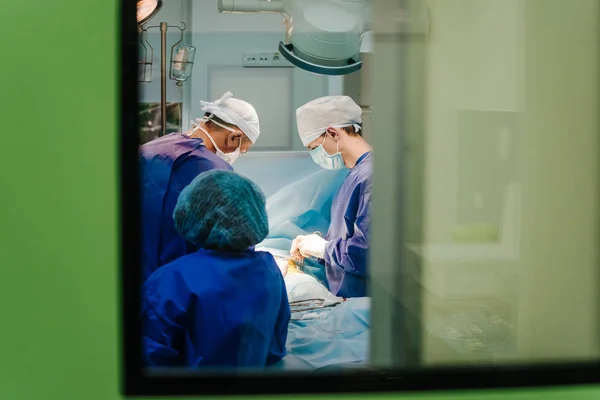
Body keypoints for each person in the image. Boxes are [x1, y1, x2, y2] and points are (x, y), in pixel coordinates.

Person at [142, 170, 290, 369]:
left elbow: (150, 361)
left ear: (192, 214)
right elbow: (275, 350)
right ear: (253, 214)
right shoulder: (269, 268)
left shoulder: (171, 280)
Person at [140, 91, 260, 282]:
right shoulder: (215, 170)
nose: (238, 154)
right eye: (241, 150)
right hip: (180, 283)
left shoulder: (151, 148)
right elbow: (234, 238)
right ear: (234, 137)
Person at [290, 96, 372, 298]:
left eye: (314, 148)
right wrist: (316, 245)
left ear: (333, 133)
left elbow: (369, 254)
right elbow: (348, 236)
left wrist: (324, 249)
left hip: (365, 300)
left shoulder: (372, 177)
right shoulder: (355, 174)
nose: (315, 155)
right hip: (348, 296)